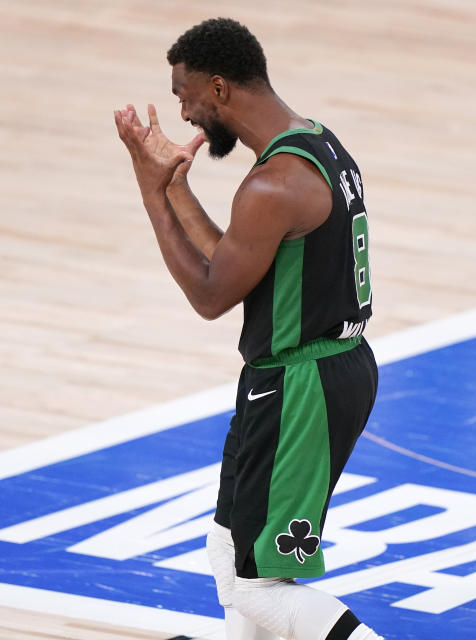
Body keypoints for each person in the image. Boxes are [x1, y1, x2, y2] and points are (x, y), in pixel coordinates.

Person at [114, 17, 382, 640]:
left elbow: (210, 296)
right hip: (303, 374)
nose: (183, 114)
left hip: (302, 384)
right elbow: (237, 265)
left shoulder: (273, 183)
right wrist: (176, 184)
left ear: (219, 88)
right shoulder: (314, 143)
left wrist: (149, 190)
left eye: (184, 96)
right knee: (228, 556)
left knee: (260, 590)